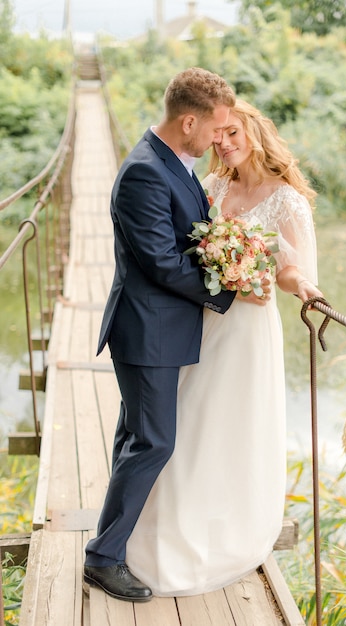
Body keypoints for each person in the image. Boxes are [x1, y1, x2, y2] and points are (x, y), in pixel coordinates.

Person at [83, 71, 271, 603]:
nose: (219, 138)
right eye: (215, 128)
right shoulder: (145, 172)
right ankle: (103, 558)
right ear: (189, 120)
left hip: (160, 329)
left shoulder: (173, 163)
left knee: (135, 436)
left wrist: (230, 263)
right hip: (148, 330)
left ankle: (119, 539)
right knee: (153, 440)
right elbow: (164, 263)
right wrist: (229, 293)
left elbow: (189, 241)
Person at [124, 99, 324, 596]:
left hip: (247, 331)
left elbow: (289, 267)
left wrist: (302, 287)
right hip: (204, 322)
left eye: (233, 132)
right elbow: (191, 252)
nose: (225, 143)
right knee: (187, 424)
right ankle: (165, 528)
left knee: (229, 425)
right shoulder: (211, 187)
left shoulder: (287, 199)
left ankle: (220, 533)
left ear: (254, 130)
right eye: (218, 137)